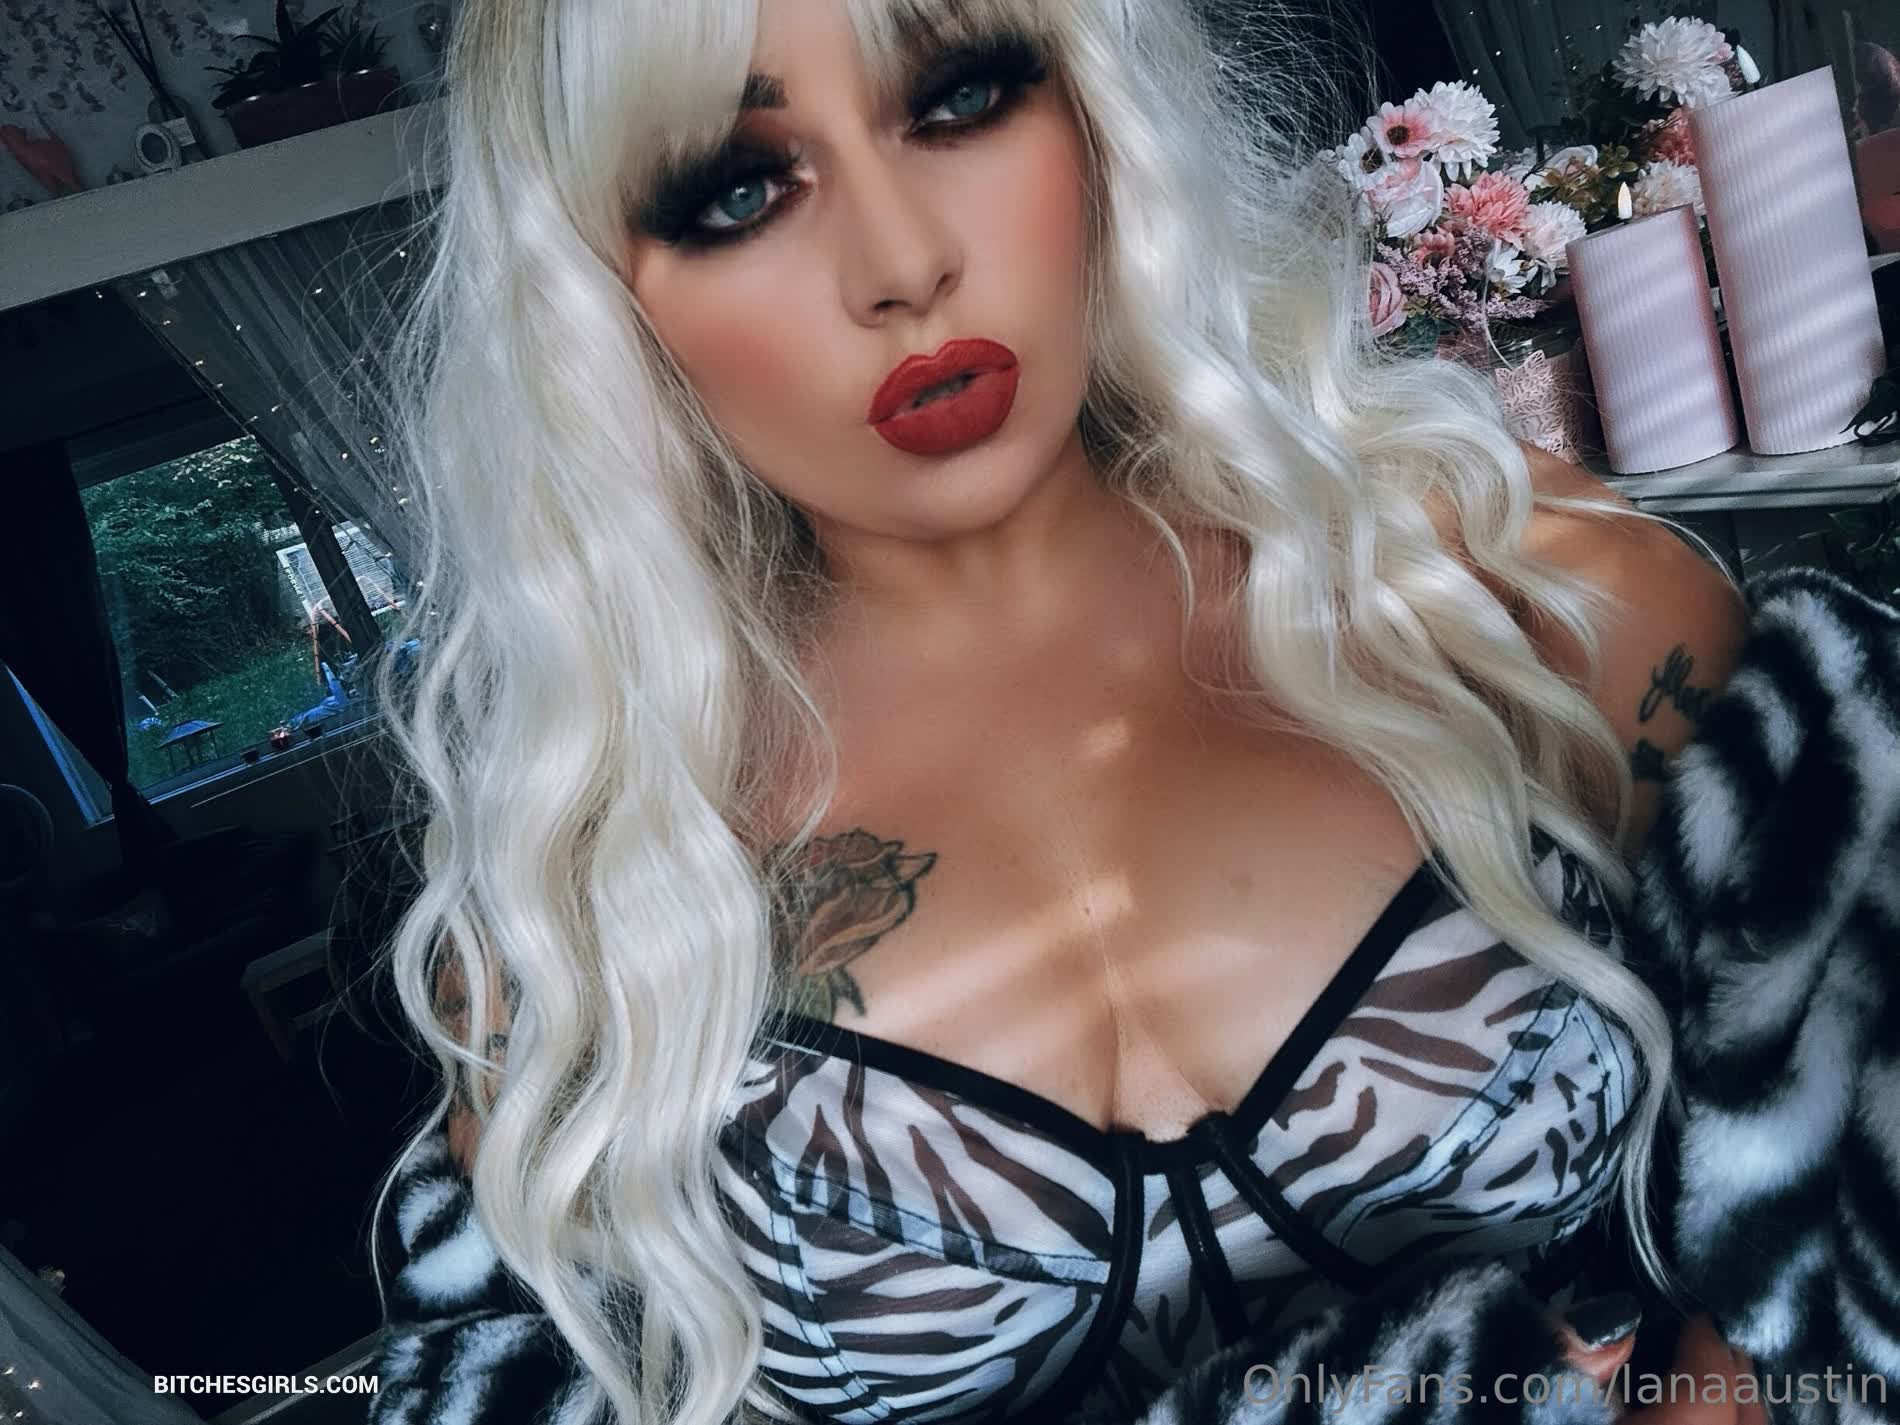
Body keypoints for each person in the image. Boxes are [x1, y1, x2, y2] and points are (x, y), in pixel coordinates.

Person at [366, 1, 1767, 1422]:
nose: (904, 264)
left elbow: (1844, 1194)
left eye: (960, 100)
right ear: (600, 304)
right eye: (736, 192)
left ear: (1098, 111)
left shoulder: (1512, 590)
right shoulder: (580, 906)